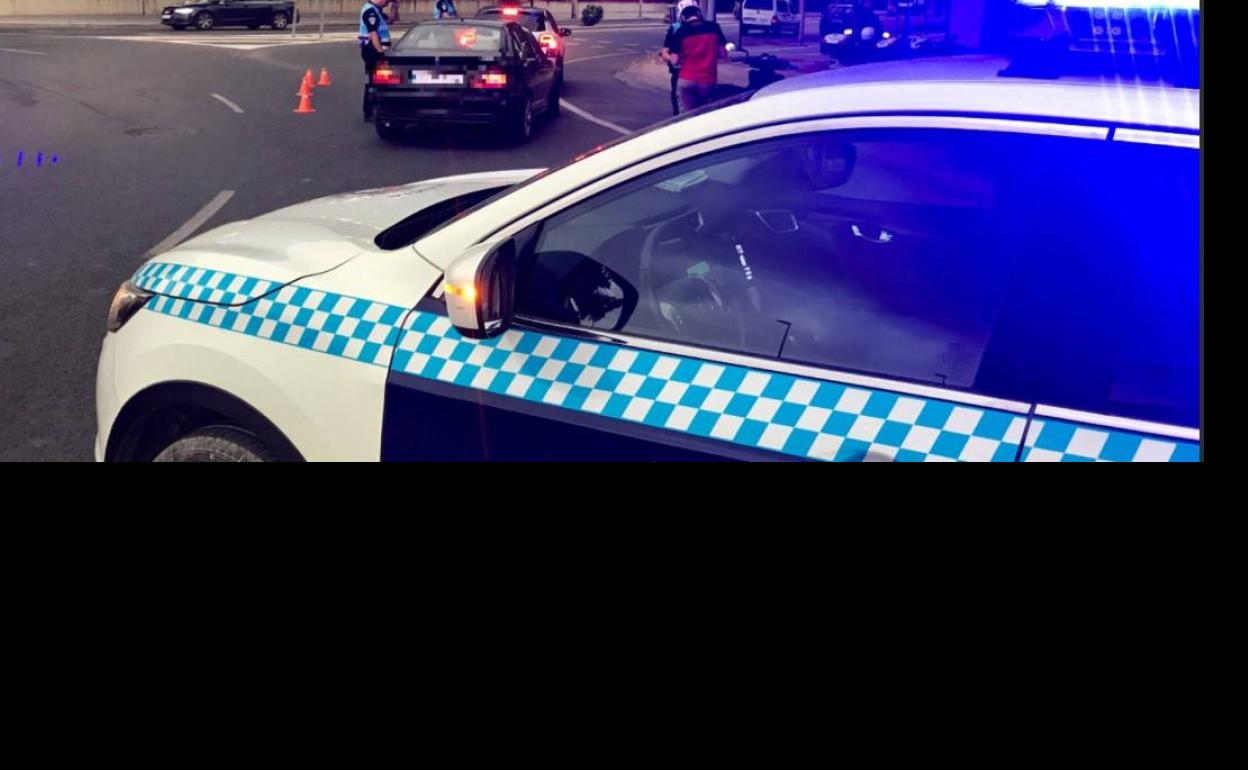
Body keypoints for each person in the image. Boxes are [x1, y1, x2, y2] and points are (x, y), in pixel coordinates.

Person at [661, 4, 729, 114]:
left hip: (686, 79)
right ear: (699, 14)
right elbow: (723, 54)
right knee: (705, 113)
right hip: (707, 80)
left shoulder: (681, 31)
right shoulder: (714, 28)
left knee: (687, 115)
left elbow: (674, 60)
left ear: (683, 18)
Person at [660, 0, 700, 116]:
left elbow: (665, 52)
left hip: (680, 72)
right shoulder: (709, 27)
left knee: (680, 101)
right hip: (702, 72)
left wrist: (674, 61)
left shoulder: (675, 28)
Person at [359, 0, 392, 121]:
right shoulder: (370, 11)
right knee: (374, 82)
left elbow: (390, 21)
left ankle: (376, 109)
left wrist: (395, 8)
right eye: (387, 1)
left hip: (374, 50)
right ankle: (370, 111)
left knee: (380, 80)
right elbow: (373, 34)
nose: (388, 3)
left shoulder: (377, 10)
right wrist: (380, 53)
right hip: (372, 51)